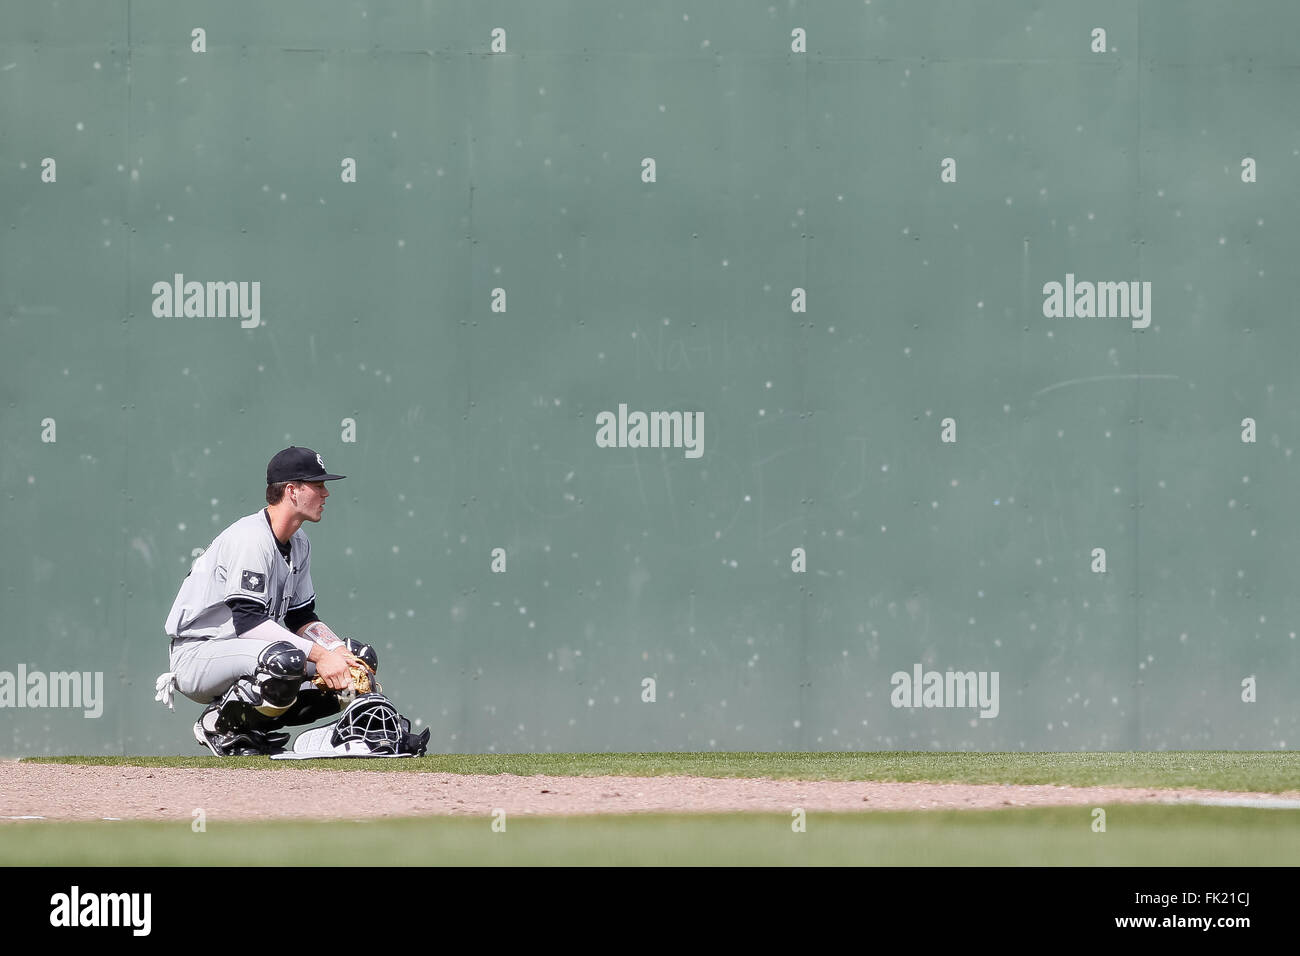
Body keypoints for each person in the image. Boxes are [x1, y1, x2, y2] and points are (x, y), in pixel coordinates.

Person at [155, 446, 376, 755]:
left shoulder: (299, 541)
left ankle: (250, 728)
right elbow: (249, 622)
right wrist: (321, 657)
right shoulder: (251, 538)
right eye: (318, 484)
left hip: (247, 651)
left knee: (357, 661)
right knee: (285, 660)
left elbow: (301, 617)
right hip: (199, 654)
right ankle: (217, 724)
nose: (326, 493)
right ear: (292, 490)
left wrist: (337, 651)